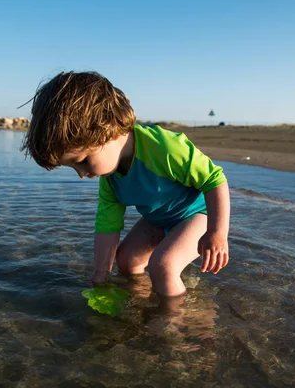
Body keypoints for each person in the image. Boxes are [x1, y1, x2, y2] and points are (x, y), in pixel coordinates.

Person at [22, 71, 230, 298]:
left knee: (163, 265)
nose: (82, 175)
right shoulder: (110, 179)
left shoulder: (163, 147)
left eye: (82, 161)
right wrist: (101, 273)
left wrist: (217, 233)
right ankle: (140, 299)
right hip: (159, 219)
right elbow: (107, 226)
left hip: (199, 215)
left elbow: (214, 180)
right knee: (127, 260)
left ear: (107, 130)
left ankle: (175, 319)